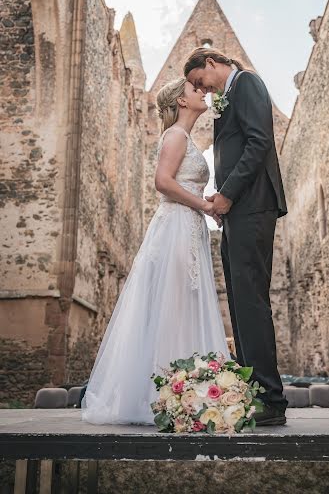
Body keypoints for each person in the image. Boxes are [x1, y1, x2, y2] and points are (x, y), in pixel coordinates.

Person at [81, 77, 230, 425]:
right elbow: (163, 182)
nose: (203, 92)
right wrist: (205, 207)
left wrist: (204, 204)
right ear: (180, 101)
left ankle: (185, 393)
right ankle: (165, 396)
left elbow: (181, 183)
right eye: (195, 89)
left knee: (183, 305)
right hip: (177, 227)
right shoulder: (176, 135)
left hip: (188, 225)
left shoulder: (184, 137)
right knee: (173, 306)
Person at [184, 48, 288, 425]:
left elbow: (259, 143)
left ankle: (270, 400)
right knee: (241, 304)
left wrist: (226, 194)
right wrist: (222, 194)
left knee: (251, 303)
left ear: (211, 63)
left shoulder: (247, 83)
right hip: (237, 210)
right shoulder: (230, 95)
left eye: (200, 81)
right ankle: (252, 392)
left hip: (253, 205)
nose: (201, 89)